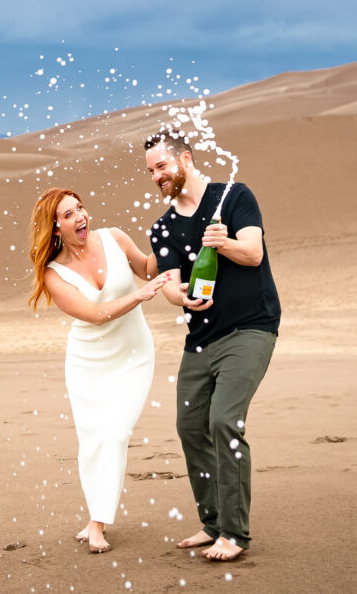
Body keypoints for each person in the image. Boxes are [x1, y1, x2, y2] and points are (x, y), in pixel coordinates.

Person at [144, 127, 280, 562]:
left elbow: (254, 254)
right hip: (200, 338)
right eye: (150, 170)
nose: (156, 176)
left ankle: (234, 535)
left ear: (185, 158)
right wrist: (181, 297)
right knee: (189, 428)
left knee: (224, 421)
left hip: (250, 327)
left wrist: (223, 244)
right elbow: (169, 282)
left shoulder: (234, 198)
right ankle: (212, 522)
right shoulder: (163, 226)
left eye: (162, 165)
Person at [28, 187, 171, 553]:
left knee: (117, 432)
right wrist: (138, 296)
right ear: (55, 227)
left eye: (80, 208)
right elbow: (93, 315)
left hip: (134, 355)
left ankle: (97, 523)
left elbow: (146, 268)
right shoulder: (53, 274)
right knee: (92, 441)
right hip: (88, 363)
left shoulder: (115, 237)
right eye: (69, 214)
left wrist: (170, 237)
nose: (81, 217)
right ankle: (96, 518)